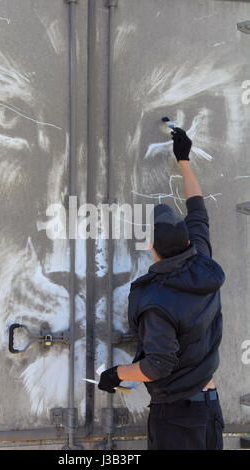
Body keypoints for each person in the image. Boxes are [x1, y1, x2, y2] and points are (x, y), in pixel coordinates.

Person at [98, 127, 225, 450]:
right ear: (186, 241)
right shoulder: (202, 263)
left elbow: (158, 365)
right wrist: (184, 160)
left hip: (177, 416)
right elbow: (198, 210)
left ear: (152, 249)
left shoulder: (156, 300)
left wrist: (115, 373)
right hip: (209, 407)